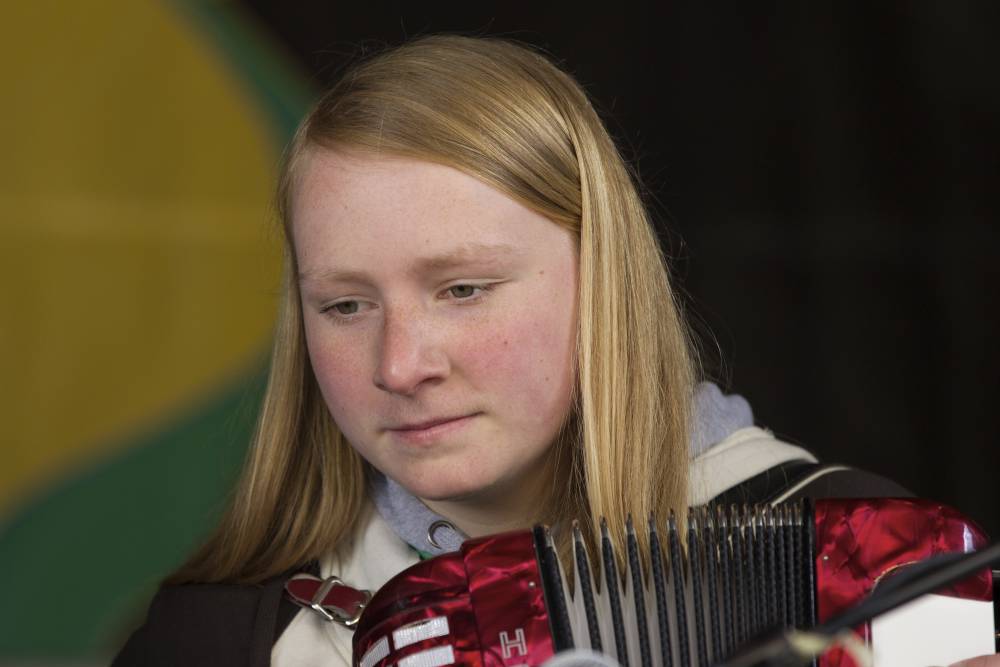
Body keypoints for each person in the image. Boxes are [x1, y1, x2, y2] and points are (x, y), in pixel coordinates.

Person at [112, 34, 993, 667]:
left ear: (602, 283)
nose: (400, 365)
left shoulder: (883, 570)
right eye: (345, 305)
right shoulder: (220, 639)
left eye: (463, 288)